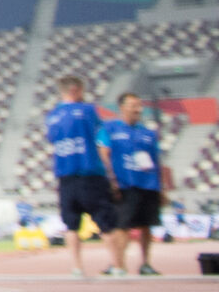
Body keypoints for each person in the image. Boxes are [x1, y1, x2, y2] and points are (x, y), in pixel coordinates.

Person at [43, 74, 116, 278]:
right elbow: (101, 134)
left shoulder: (52, 116)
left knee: (71, 224)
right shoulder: (88, 110)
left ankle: (76, 267)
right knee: (105, 221)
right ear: (76, 90)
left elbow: (51, 138)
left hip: (65, 175)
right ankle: (116, 264)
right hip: (90, 172)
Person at [102, 92, 170, 277]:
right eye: (133, 105)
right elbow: (104, 153)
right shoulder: (110, 129)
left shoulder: (148, 133)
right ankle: (118, 264)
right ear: (122, 107)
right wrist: (111, 180)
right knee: (122, 225)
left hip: (148, 185)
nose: (137, 108)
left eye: (139, 105)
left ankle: (146, 263)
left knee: (146, 225)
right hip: (125, 184)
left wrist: (162, 188)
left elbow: (157, 161)